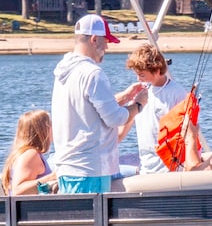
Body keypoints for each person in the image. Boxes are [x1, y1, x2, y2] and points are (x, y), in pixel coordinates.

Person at [49, 14, 148, 194]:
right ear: (95, 40)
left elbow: (86, 109)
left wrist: (124, 97)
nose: (107, 47)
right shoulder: (93, 73)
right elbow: (115, 118)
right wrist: (138, 105)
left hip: (68, 167)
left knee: (78, 221)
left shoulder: (63, 71)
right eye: (106, 41)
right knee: (91, 221)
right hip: (90, 169)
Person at [120, 43, 190, 175]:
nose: (138, 79)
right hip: (146, 167)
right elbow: (124, 126)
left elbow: (187, 133)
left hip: (169, 169)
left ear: (157, 71)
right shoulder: (138, 92)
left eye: (141, 75)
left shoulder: (177, 93)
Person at [1, 110, 57, 195]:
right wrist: (52, 177)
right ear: (43, 130)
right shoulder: (30, 154)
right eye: (51, 125)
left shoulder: (23, 153)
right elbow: (18, 190)